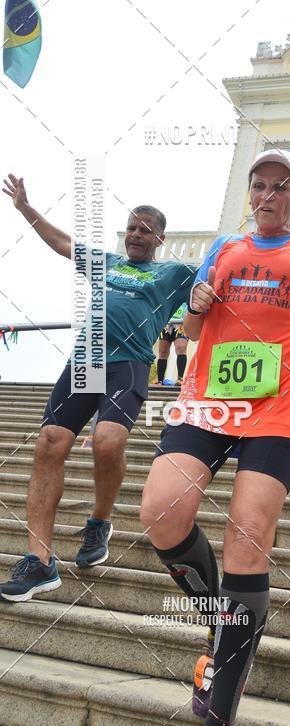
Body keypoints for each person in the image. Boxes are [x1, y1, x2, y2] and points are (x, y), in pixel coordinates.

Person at [139, 149, 290, 725]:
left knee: (247, 534)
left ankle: (222, 700)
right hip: (210, 398)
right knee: (162, 512)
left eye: (279, 187)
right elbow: (190, 326)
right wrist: (194, 301)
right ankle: (219, 617)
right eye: (258, 186)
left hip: (281, 402)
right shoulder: (224, 249)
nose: (266, 196)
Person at [0, 173, 197, 601]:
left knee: (107, 442)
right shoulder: (107, 263)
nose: (136, 234)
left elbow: (220, 274)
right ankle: (39, 562)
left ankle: (99, 522)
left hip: (128, 365)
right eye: (131, 227)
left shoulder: (173, 272)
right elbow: (65, 244)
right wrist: (26, 208)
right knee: (49, 442)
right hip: (85, 360)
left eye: (145, 230)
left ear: (160, 238)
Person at [152, 303, 189, 386]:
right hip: (167, 322)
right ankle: (160, 380)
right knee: (163, 352)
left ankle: (180, 378)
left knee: (181, 347)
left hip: (182, 322)